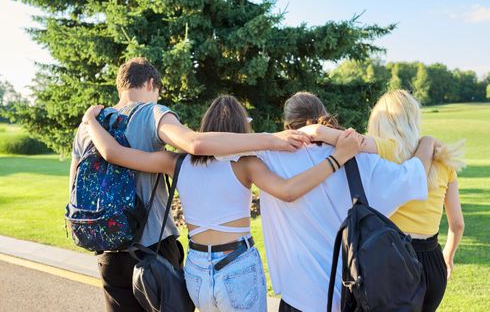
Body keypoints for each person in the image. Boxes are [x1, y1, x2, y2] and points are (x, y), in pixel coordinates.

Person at [70, 58, 310, 312]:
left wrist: (90, 121)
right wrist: (270, 139)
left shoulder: (87, 128)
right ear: (152, 84)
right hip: (153, 247)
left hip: (107, 249)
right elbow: (195, 143)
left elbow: (78, 183)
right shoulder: (153, 113)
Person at [81, 94, 361, 312]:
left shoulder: (176, 163)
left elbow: (112, 152)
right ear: (239, 130)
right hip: (237, 264)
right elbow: (288, 191)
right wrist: (337, 159)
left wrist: (90, 121)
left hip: (197, 270)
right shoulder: (247, 164)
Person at [253, 91, 437, 312]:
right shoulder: (359, 157)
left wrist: (268, 139)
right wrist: (427, 142)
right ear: (325, 115)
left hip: (298, 296)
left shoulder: (268, 158)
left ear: (286, 124)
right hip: (350, 293)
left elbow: (210, 145)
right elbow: (412, 178)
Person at [357, 89, 465, 312]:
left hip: (393, 259)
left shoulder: (383, 152)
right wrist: (448, 256)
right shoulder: (443, 161)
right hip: (433, 261)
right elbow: (457, 224)